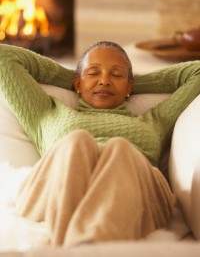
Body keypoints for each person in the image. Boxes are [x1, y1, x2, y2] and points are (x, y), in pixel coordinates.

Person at [0, 41, 200, 246]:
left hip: (134, 192)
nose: (104, 81)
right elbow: (4, 56)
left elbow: (197, 71)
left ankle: (81, 245)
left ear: (129, 86)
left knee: (120, 149)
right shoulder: (46, 112)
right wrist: (73, 77)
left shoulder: (155, 120)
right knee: (78, 142)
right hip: (59, 185)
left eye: (116, 75)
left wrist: (131, 82)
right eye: (94, 73)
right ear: (77, 83)